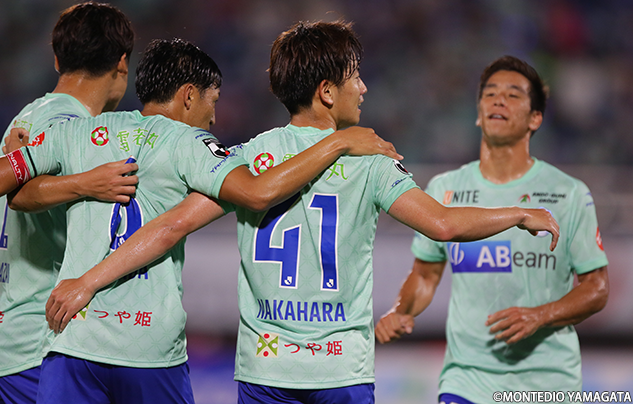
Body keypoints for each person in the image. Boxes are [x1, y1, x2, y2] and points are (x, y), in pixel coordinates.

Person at [39, 23, 560, 404]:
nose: (364, 88)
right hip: (340, 372)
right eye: (356, 77)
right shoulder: (370, 158)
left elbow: (171, 225)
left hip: (265, 370)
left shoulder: (248, 157)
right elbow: (443, 224)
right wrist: (516, 215)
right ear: (327, 91)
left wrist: (89, 281)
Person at [0, 37, 400, 404]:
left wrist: (78, 184)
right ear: (189, 96)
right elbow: (256, 192)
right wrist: (338, 142)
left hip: (73, 337)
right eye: (214, 101)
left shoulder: (79, 133)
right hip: (149, 349)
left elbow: (14, 193)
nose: (214, 118)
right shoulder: (192, 144)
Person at [375, 56, 609, 404]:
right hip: (467, 381)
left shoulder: (568, 193)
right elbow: (425, 275)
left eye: (513, 95)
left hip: (548, 382)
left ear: (535, 118)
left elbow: (597, 288)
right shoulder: (445, 189)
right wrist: (401, 310)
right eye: (490, 94)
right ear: (478, 113)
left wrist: (541, 316)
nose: (498, 100)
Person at [0, 1, 136, 404]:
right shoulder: (70, 126)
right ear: (122, 63)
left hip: (8, 337)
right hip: (38, 343)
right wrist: (89, 183)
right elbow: (20, 195)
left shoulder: (25, 118)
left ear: (57, 60)